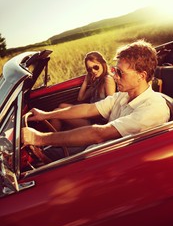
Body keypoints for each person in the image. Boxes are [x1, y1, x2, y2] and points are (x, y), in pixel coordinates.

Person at [22, 40, 170, 160]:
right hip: (94, 148)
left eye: (120, 72)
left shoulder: (153, 109)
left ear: (141, 76)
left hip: (102, 161)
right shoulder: (123, 95)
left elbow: (99, 134)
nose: (115, 76)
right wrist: (46, 115)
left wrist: (40, 139)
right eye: (114, 70)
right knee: (47, 154)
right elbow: (88, 109)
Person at [50, 51, 116, 130]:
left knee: (56, 113)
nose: (93, 71)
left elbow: (111, 106)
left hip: (97, 120)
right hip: (90, 114)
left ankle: (50, 140)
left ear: (103, 64)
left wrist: (90, 114)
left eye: (96, 67)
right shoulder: (97, 81)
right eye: (89, 69)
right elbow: (80, 98)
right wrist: (85, 81)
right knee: (61, 106)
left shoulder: (107, 79)